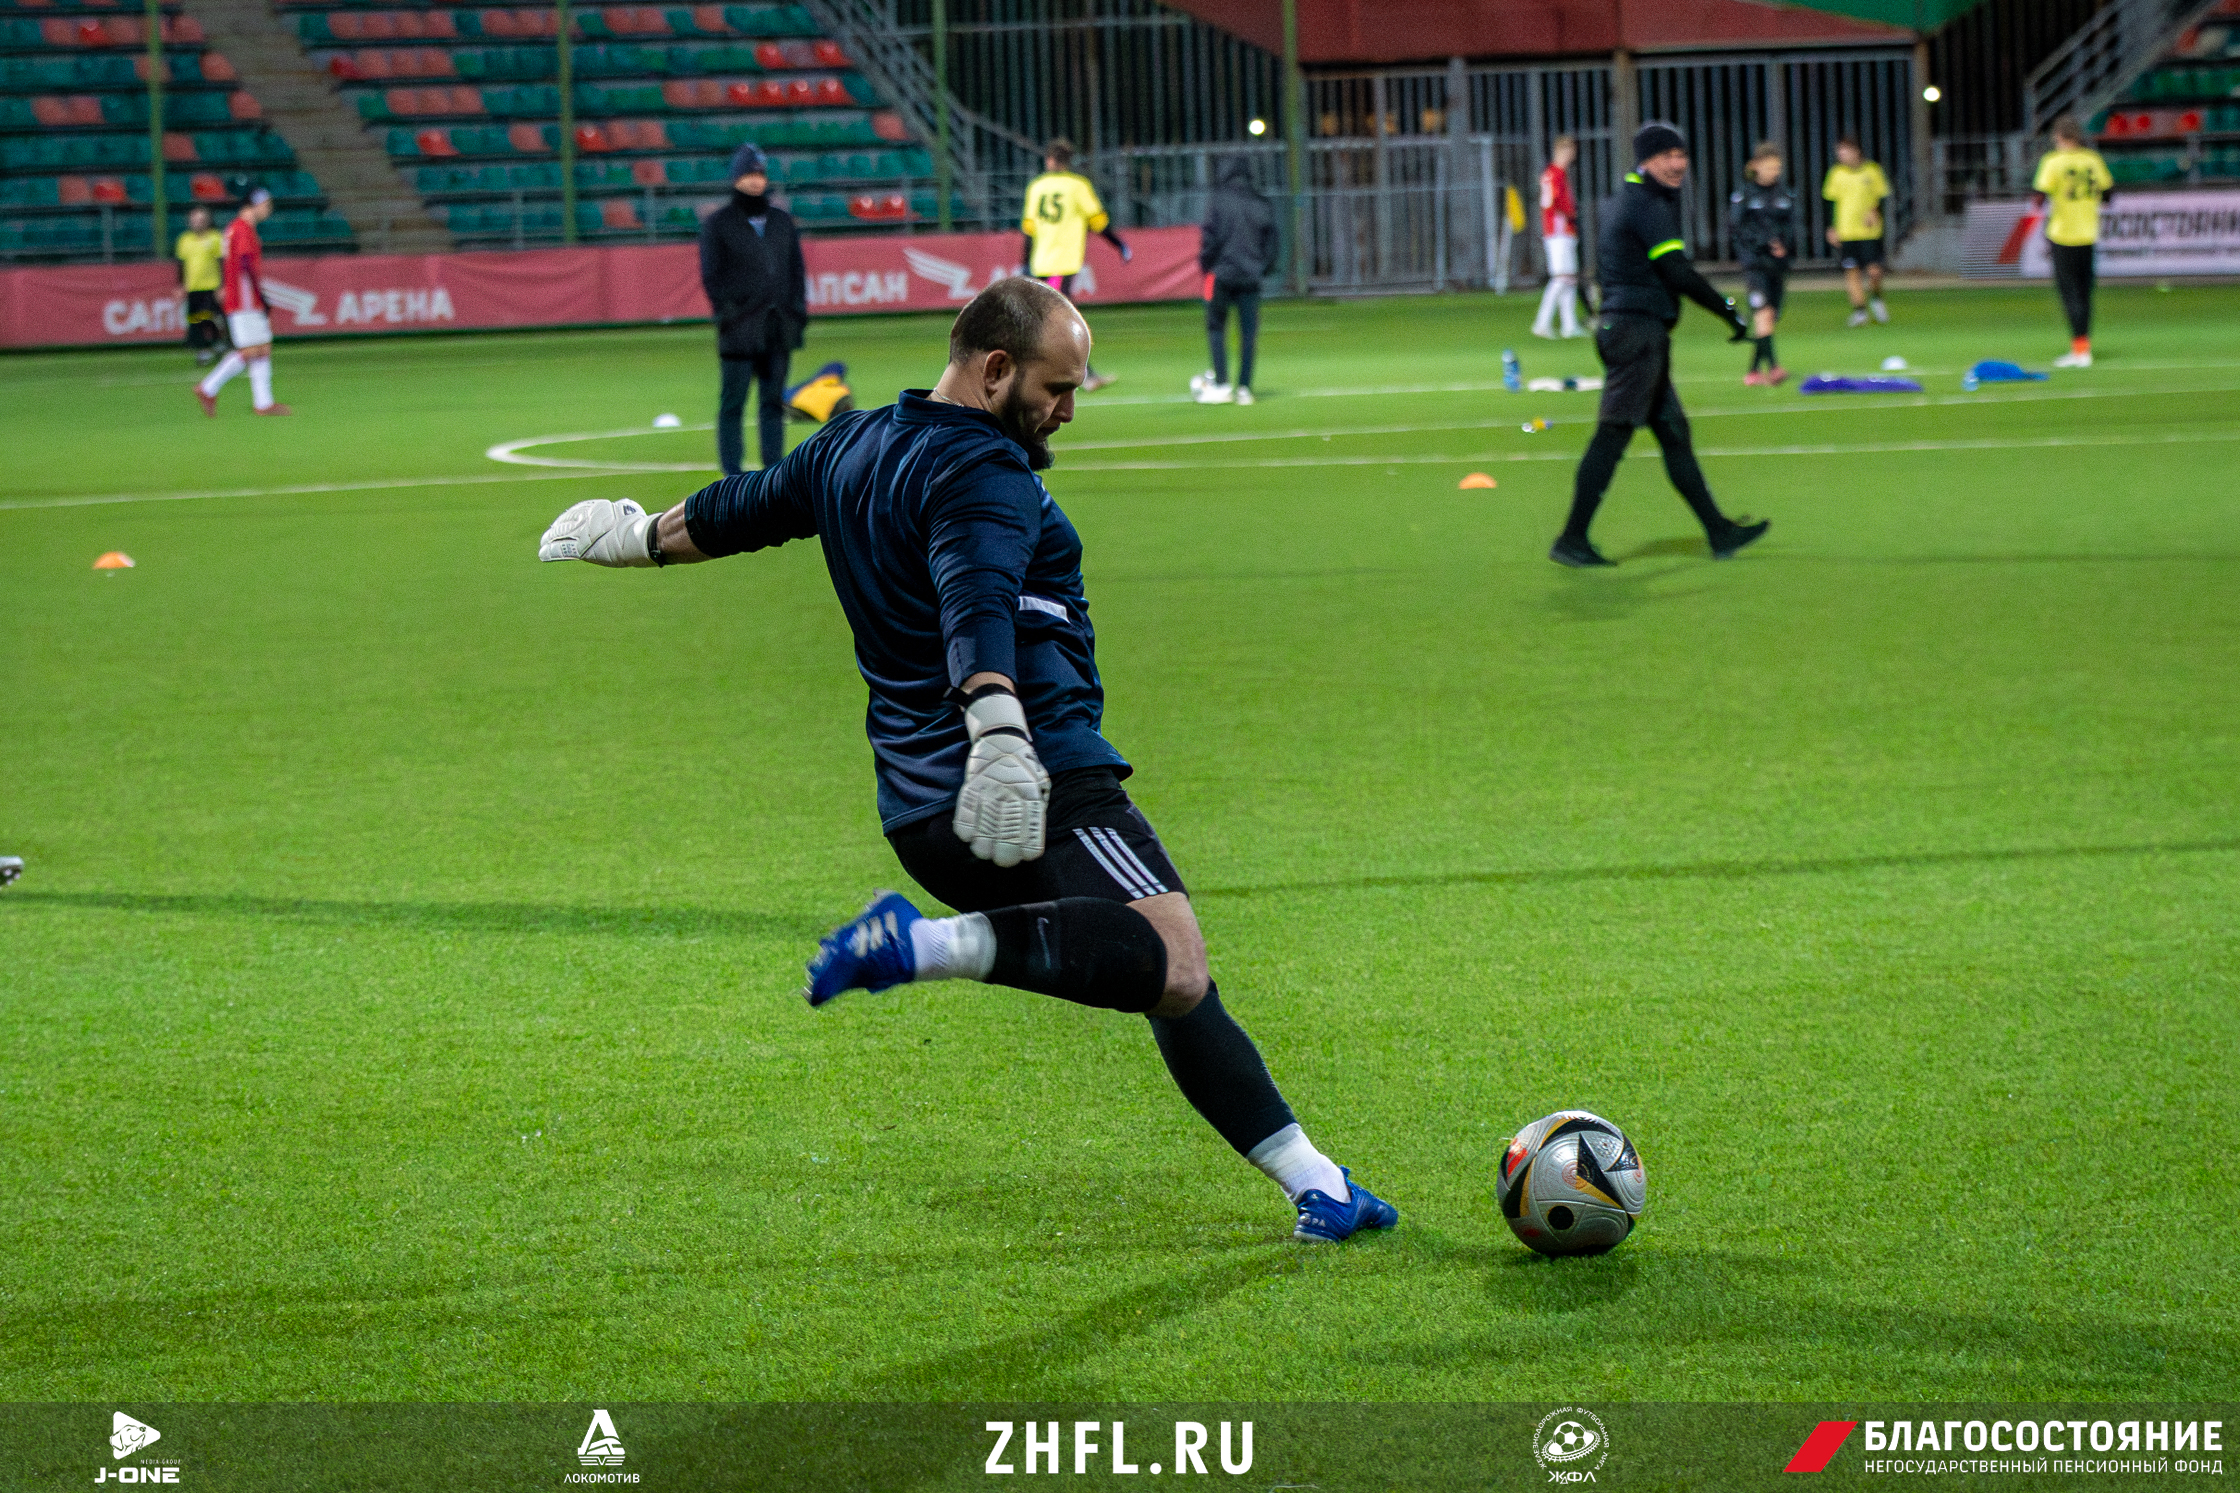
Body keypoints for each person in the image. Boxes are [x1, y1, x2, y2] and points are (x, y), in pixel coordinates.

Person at [534, 278, 1400, 1245]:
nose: (1067, 410)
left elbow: (734, 510)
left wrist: (630, 539)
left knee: (1154, 970)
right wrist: (998, 728)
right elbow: (974, 595)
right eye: (1056, 388)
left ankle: (1318, 1185)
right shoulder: (986, 470)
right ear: (994, 370)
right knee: (1177, 960)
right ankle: (925, 946)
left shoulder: (848, 444)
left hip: (922, 814)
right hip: (1034, 778)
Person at [1550, 122, 1769, 569]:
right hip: (1636, 335)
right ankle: (1571, 539)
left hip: (1631, 332)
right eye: (1667, 155)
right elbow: (1678, 271)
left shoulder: (1626, 200)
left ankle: (1719, 531)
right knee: (1612, 435)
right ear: (1645, 160)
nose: (1677, 164)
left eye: (1682, 155)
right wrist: (1729, 311)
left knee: (1674, 434)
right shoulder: (1646, 205)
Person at [699, 142, 808, 475]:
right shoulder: (718, 223)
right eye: (748, 174)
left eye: (759, 174)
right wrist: (731, 313)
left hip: (778, 327)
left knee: (772, 403)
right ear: (736, 179)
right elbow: (712, 276)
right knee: (733, 403)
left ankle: (773, 473)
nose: (755, 180)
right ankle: (732, 474)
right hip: (739, 329)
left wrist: (796, 313)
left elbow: (796, 271)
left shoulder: (781, 221)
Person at [1021, 138, 1127, 392]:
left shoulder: (1036, 187)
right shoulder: (1078, 186)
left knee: (1054, 318)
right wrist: (1119, 244)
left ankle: (1077, 373)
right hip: (1062, 263)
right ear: (1068, 161)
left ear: (1049, 160)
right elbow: (1098, 222)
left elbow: (1029, 229)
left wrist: (1024, 263)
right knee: (1061, 320)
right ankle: (1066, 375)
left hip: (1042, 261)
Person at [194, 183, 288, 416]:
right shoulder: (243, 229)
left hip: (243, 297)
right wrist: (261, 296)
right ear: (254, 204)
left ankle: (263, 403)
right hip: (244, 299)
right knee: (251, 350)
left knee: (262, 347)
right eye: (265, 205)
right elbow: (245, 264)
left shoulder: (235, 228)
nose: (268, 209)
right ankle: (208, 387)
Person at [1193, 155, 1278, 405]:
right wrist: (1263, 268)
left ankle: (1221, 383)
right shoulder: (1260, 202)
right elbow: (1272, 242)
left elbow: (1210, 238)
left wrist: (1206, 265)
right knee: (1248, 333)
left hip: (1221, 274)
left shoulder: (1218, 201)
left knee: (1216, 328)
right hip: (1250, 276)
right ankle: (1244, 388)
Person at [2033, 115, 2114, 368]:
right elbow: (2108, 194)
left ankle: (2079, 351)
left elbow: (2039, 197)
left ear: (2058, 136)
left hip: (2063, 234)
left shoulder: (2053, 161)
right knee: (2084, 293)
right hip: (2088, 233)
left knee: (2069, 294)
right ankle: (2083, 348)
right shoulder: (2092, 159)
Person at [1730, 141, 1794, 385]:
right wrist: (1764, 243)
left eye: (1777, 167)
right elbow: (1737, 228)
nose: (1773, 172)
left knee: (1769, 319)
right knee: (1763, 314)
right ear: (1756, 166)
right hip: (1755, 265)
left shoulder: (1785, 194)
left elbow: (1791, 226)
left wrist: (1784, 245)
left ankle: (1753, 372)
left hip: (1778, 267)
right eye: (1769, 167)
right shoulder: (1744, 195)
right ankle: (1775, 368)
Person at [1823, 137, 1891, 328]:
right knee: (1852, 271)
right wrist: (1831, 227)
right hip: (1846, 231)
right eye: (1839, 152)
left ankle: (1876, 298)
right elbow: (1830, 201)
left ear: (1856, 151)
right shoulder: (1836, 173)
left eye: (1845, 151)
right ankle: (1860, 311)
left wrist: (1875, 211)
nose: (1841, 156)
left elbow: (1882, 196)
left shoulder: (1872, 170)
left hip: (1869, 232)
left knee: (1874, 271)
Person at [1531, 135, 1583, 340]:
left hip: (1564, 231)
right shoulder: (1554, 174)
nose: (1572, 155)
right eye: (1570, 150)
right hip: (1558, 232)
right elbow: (1550, 202)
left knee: (1568, 278)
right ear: (1562, 151)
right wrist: (1570, 213)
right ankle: (1542, 324)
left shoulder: (1557, 174)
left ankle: (1569, 325)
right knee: (1561, 278)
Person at [175, 205, 225, 367]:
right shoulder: (184, 240)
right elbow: (181, 265)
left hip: (211, 286)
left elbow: (222, 262)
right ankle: (203, 349)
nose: (197, 223)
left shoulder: (215, 238)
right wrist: (180, 285)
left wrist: (223, 285)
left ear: (207, 221)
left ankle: (218, 342)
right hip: (193, 288)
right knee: (196, 320)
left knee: (211, 318)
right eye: (194, 220)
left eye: (201, 220)